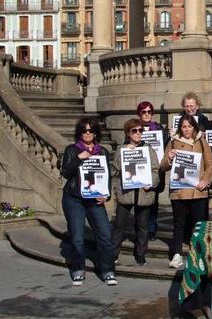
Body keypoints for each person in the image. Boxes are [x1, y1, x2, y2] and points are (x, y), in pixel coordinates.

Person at [60, 117, 117, 286]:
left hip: (94, 200)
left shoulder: (103, 152)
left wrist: (106, 195)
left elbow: (106, 176)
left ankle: (108, 270)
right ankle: (78, 268)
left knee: (105, 234)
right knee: (77, 237)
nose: (87, 133)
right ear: (80, 132)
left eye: (90, 130)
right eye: (84, 130)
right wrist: (79, 159)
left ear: (95, 133)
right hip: (74, 199)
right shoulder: (72, 149)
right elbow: (66, 173)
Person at [160, 113, 212, 269]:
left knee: (198, 224)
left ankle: (198, 253)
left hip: (198, 190)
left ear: (194, 127)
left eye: (189, 126)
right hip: (179, 190)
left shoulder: (202, 142)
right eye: (184, 126)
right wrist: (169, 157)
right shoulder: (173, 142)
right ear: (180, 128)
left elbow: (209, 164)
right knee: (179, 224)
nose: (187, 129)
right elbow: (163, 166)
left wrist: (206, 180)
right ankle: (176, 254)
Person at [111, 118, 161, 266]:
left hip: (144, 193)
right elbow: (116, 167)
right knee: (119, 225)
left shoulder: (148, 148)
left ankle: (140, 254)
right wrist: (126, 152)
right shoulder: (121, 148)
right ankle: (113, 253)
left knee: (142, 226)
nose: (138, 133)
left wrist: (151, 183)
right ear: (128, 133)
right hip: (126, 193)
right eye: (135, 131)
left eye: (140, 130)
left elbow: (155, 169)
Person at [137, 101, 168, 242]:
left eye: (149, 112)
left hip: (155, 170)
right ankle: (140, 227)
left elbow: (166, 146)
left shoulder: (159, 129)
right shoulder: (135, 128)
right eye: (144, 112)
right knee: (140, 201)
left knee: (153, 200)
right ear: (139, 114)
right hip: (140, 169)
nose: (147, 114)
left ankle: (151, 228)